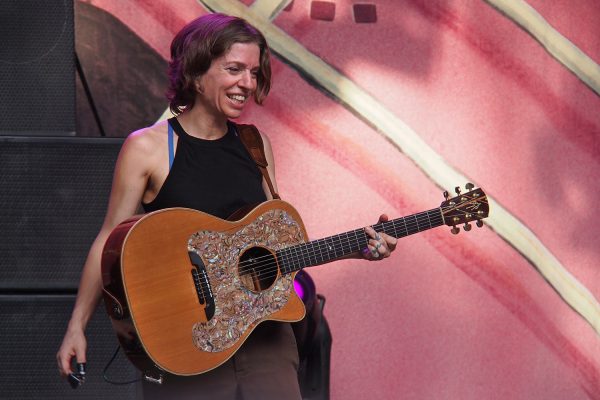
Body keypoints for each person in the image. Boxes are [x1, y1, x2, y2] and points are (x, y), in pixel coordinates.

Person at [56, 13, 397, 399]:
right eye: (235, 69)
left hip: (266, 342)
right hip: (189, 346)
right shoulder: (149, 148)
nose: (248, 84)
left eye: (254, 72)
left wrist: (355, 249)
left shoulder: (256, 146)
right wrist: (76, 326)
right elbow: (108, 241)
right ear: (196, 73)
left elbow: (276, 248)